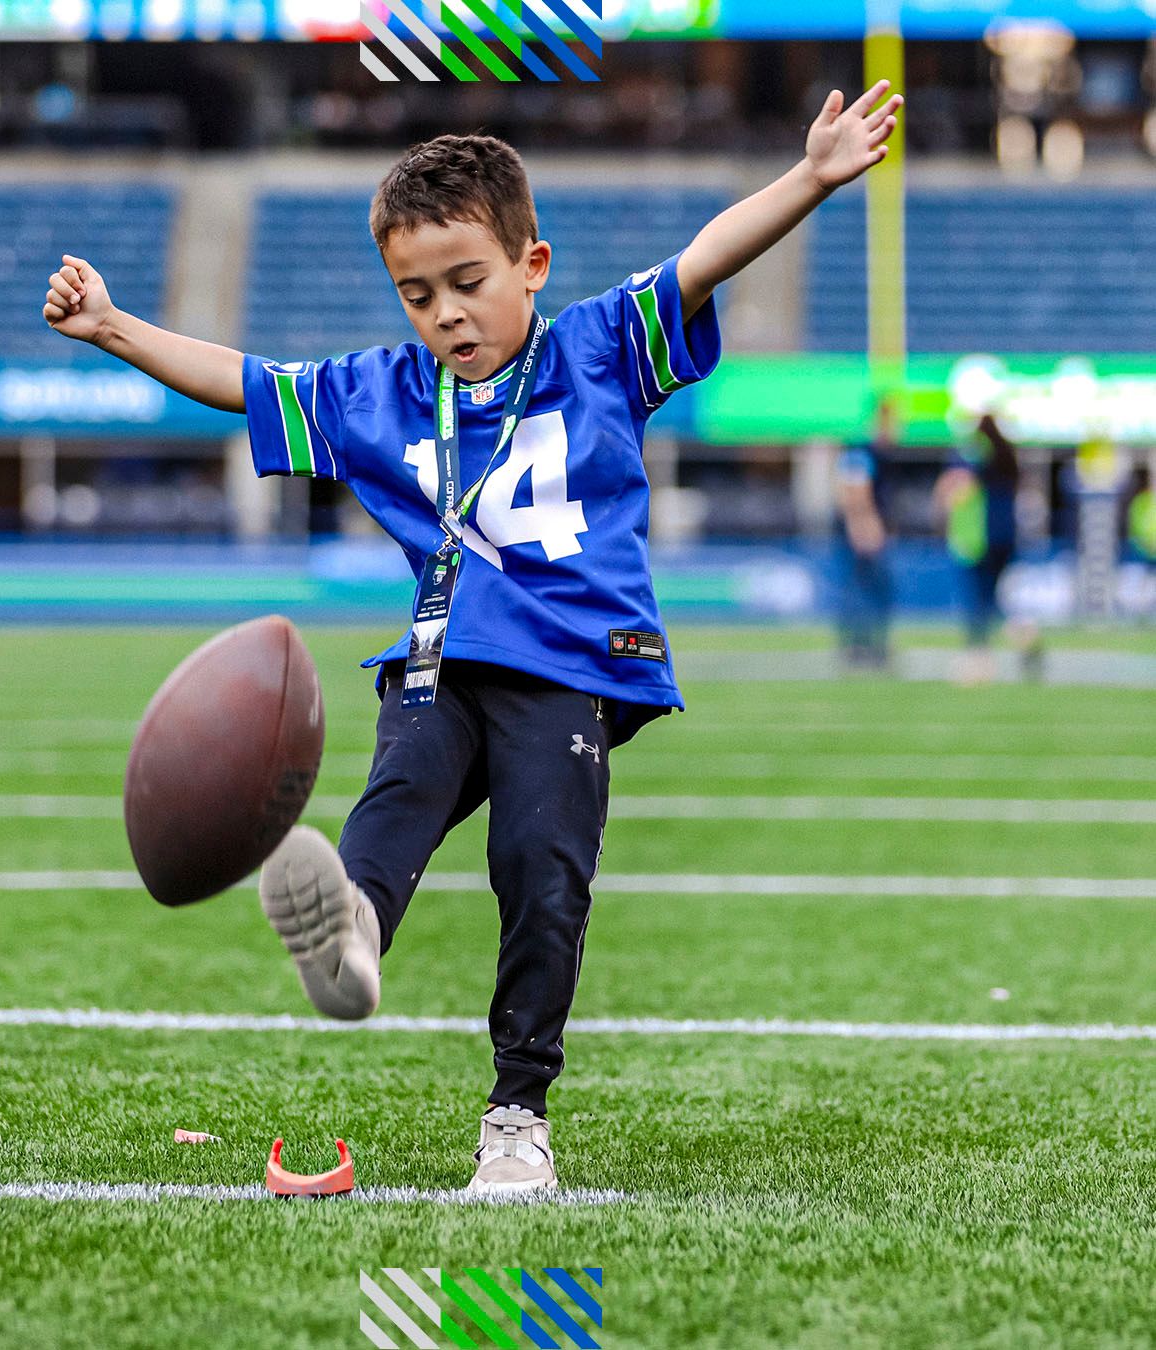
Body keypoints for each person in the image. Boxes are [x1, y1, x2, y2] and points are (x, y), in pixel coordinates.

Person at [44, 85, 902, 1193]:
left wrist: (813, 177)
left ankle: (516, 1113)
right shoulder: (379, 391)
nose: (444, 314)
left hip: (574, 668)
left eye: (467, 283)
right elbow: (243, 381)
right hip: (444, 659)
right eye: (416, 294)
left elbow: (700, 261)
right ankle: (351, 933)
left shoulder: (595, 348)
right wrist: (112, 327)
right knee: (400, 782)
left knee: (540, 873)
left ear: (531, 265)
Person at [934, 413, 1041, 682]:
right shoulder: (1007, 453)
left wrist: (943, 504)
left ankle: (978, 660)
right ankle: (1024, 634)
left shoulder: (976, 447)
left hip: (978, 537)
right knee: (992, 598)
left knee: (977, 600)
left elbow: (960, 483)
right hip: (1005, 535)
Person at [834, 396, 898, 669]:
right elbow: (854, 492)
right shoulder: (863, 450)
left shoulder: (874, 452)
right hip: (862, 529)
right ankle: (861, 646)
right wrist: (864, 525)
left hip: (864, 526)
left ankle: (867, 645)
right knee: (866, 589)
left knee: (872, 589)